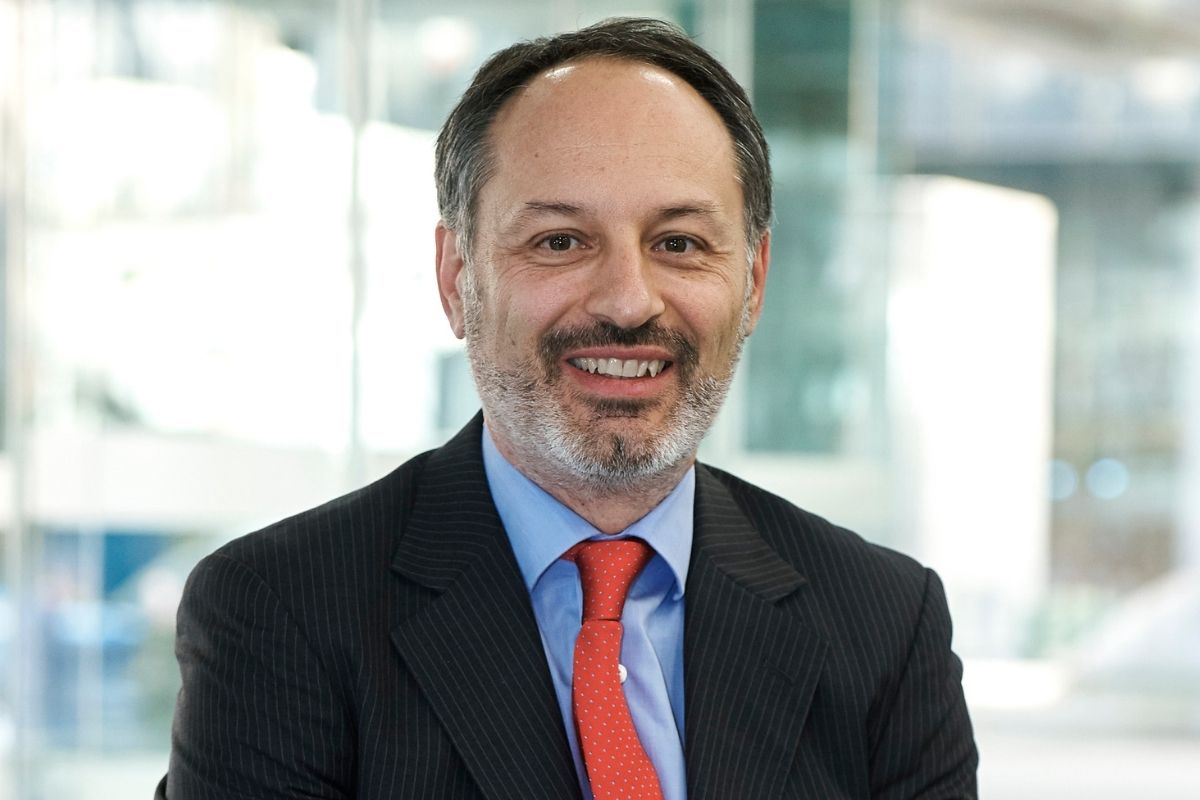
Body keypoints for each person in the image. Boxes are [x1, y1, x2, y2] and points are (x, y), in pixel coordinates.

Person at [156, 17, 977, 800]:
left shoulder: (885, 623)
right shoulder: (281, 612)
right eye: (560, 241)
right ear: (457, 278)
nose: (628, 301)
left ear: (754, 281)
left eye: (679, 243)